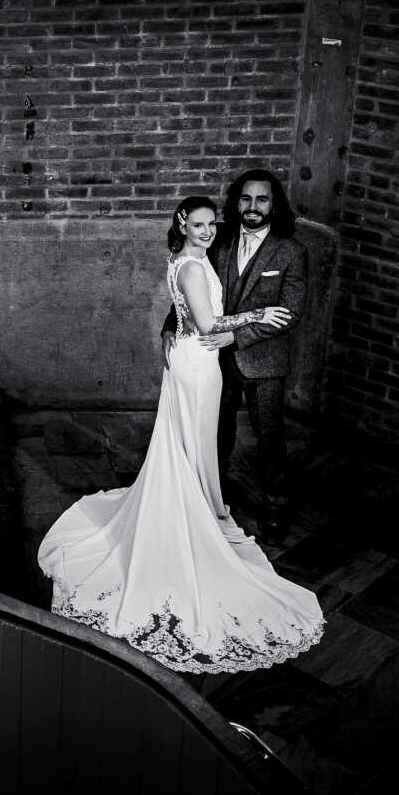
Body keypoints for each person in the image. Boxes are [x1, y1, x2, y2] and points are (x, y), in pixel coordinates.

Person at [37, 196, 325, 673]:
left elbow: (189, 317)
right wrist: (257, 315)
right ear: (182, 224)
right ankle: (194, 514)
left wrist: (182, 326)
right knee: (193, 439)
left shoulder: (185, 259)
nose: (209, 230)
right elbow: (209, 323)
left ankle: (202, 504)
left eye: (213, 223)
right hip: (198, 364)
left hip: (193, 359)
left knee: (189, 441)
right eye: (199, 224)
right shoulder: (192, 267)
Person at [161, 169, 308, 544]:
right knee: (216, 433)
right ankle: (212, 499)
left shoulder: (291, 251)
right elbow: (191, 290)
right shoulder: (219, 236)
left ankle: (275, 508)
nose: (253, 206)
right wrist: (169, 326)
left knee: (270, 438)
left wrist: (235, 337)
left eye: (262, 199)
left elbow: (291, 311)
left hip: (263, 363)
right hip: (214, 361)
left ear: (274, 204)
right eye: (246, 198)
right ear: (236, 202)